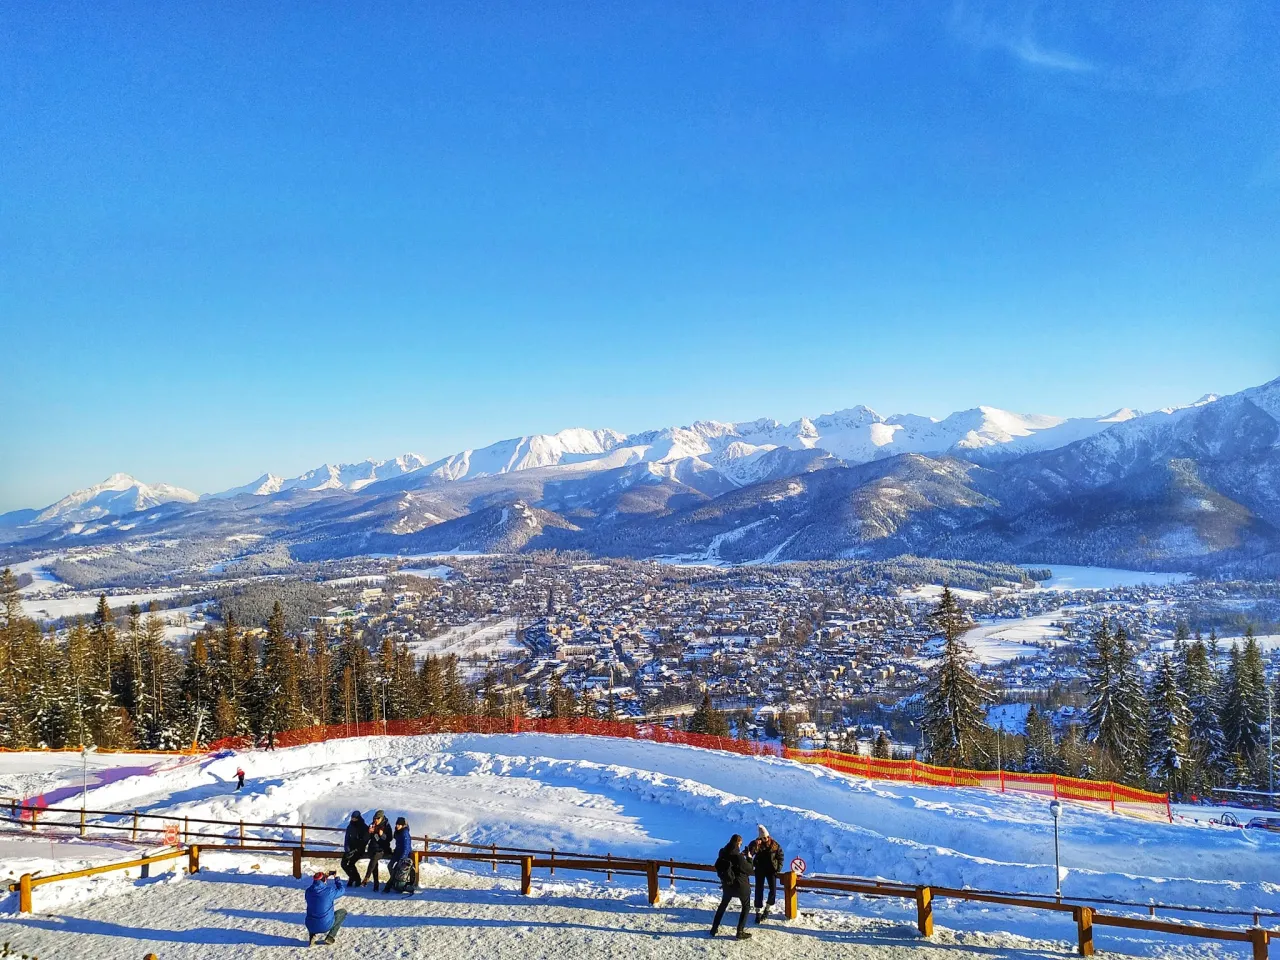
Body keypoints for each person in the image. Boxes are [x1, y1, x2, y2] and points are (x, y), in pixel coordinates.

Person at [710, 834, 753, 940]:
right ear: (739, 843)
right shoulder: (738, 857)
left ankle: (714, 928)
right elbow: (749, 870)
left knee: (723, 905)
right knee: (746, 906)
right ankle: (740, 931)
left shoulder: (722, 852)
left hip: (727, 884)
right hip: (740, 885)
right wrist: (749, 858)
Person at [745, 824, 783, 922]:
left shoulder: (775, 845)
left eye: (767, 837)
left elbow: (780, 856)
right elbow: (750, 854)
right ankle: (758, 911)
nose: (765, 839)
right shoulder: (755, 844)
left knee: (773, 890)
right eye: (763, 837)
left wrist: (778, 868)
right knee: (759, 890)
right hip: (760, 870)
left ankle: (767, 908)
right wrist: (755, 845)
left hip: (771, 870)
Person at [304, 869, 347, 946]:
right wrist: (337, 878)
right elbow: (342, 890)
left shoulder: (308, 891)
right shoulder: (329, 891)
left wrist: (324, 877)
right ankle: (330, 937)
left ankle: (312, 936)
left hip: (310, 925)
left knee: (314, 911)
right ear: (324, 880)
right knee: (342, 912)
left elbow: (318, 888)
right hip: (325, 926)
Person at [364, 809, 393, 890]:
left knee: (375, 857)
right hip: (372, 848)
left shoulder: (386, 826)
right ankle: (375, 883)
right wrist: (369, 833)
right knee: (374, 861)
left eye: (377, 819)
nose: (375, 820)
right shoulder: (372, 825)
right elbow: (366, 839)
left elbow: (390, 838)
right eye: (374, 819)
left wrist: (382, 835)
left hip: (382, 849)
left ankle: (367, 877)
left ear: (382, 818)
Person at [387, 815, 416, 894]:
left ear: (403, 826)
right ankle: (394, 881)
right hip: (397, 853)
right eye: (396, 824)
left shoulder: (404, 834)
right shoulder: (398, 832)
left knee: (397, 868)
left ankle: (395, 883)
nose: (397, 826)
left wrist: (402, 858)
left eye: (399, 825)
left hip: (404, 855)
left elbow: (406, 847)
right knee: (390, 865)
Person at [341, 810, 369, 887]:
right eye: (352, 818)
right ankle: (353, 877)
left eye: (355, 818)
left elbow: (365, 840)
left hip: (359, 850)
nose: (353, 819)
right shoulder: (350, 826)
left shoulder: (364, 827)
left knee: (351, 863)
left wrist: (357, 848)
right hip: (350, 848)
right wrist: (347, 849)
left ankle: (356, 879)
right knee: (343, 864)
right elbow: (347, 838)